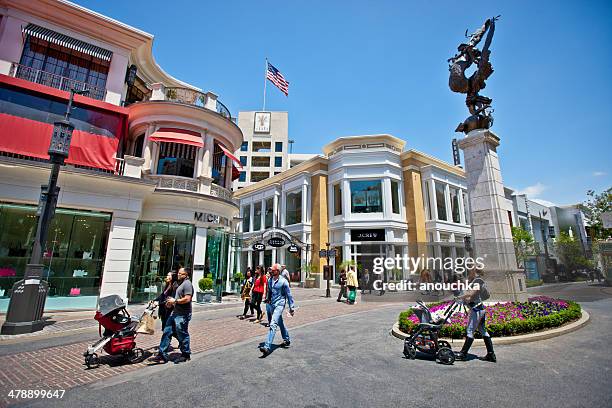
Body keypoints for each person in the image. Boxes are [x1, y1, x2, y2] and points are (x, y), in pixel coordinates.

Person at [149, 267, 194, 364]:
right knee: (167, 331)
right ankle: (162, 354)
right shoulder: (178, 284)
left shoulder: (187, 284)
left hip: (183, 314)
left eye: (181, 274)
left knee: (182, 333)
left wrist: (175, 301)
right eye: (178, 273)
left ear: (186, 275)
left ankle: (186, 354)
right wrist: (171, 303)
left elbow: (187, 299)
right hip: (174, 313)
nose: (178, 275)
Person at [455, 269, 496, 362]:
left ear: (474, 272)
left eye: (469, 271)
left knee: (470, 330)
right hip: (479, 309)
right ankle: (491, 354)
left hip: (476, 310)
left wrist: (459, 297)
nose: (468, 273)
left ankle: (463, 354)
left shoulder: (478, 281)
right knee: (483, 330)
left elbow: (471, 293)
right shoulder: (475, 281)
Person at [259, 263, 295, 357]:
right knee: (280, 323)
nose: (271, 271)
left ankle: (267, 347)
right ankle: (286, 339)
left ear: (278, 271)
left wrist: (291, 307)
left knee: (273, 323)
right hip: (272, 304)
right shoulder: (270, 280)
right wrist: (267, 299)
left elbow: (289, 295)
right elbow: (270, 291)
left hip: (280, 304)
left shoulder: (284, 282)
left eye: (273, 270)